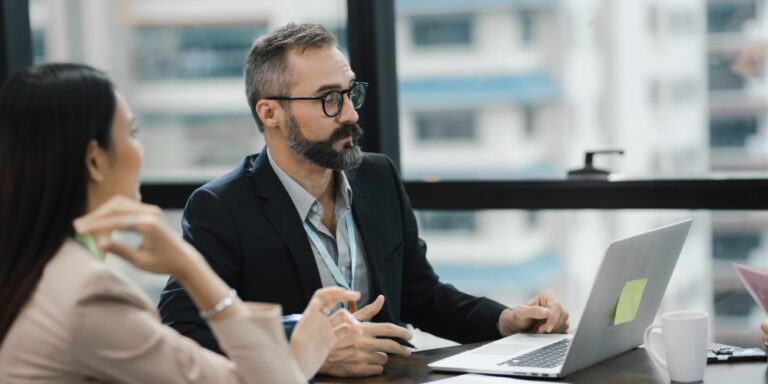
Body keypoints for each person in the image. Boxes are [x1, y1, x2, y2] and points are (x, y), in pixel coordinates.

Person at [158, 23, 570, 377]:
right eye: (328, 99)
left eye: (349, 92)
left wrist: (504, 320)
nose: (351, 115)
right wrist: (309, 354)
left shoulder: (377, 176)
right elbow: (182, 334)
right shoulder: (221, 207)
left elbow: (420, 294)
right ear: (270, 114)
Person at [0, 63, 362, 383]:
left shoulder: (32, 270)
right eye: (133, 133)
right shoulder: (90, 295)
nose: (140, 150)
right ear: (95, 161)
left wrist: (301, 352)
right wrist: (189, 266)